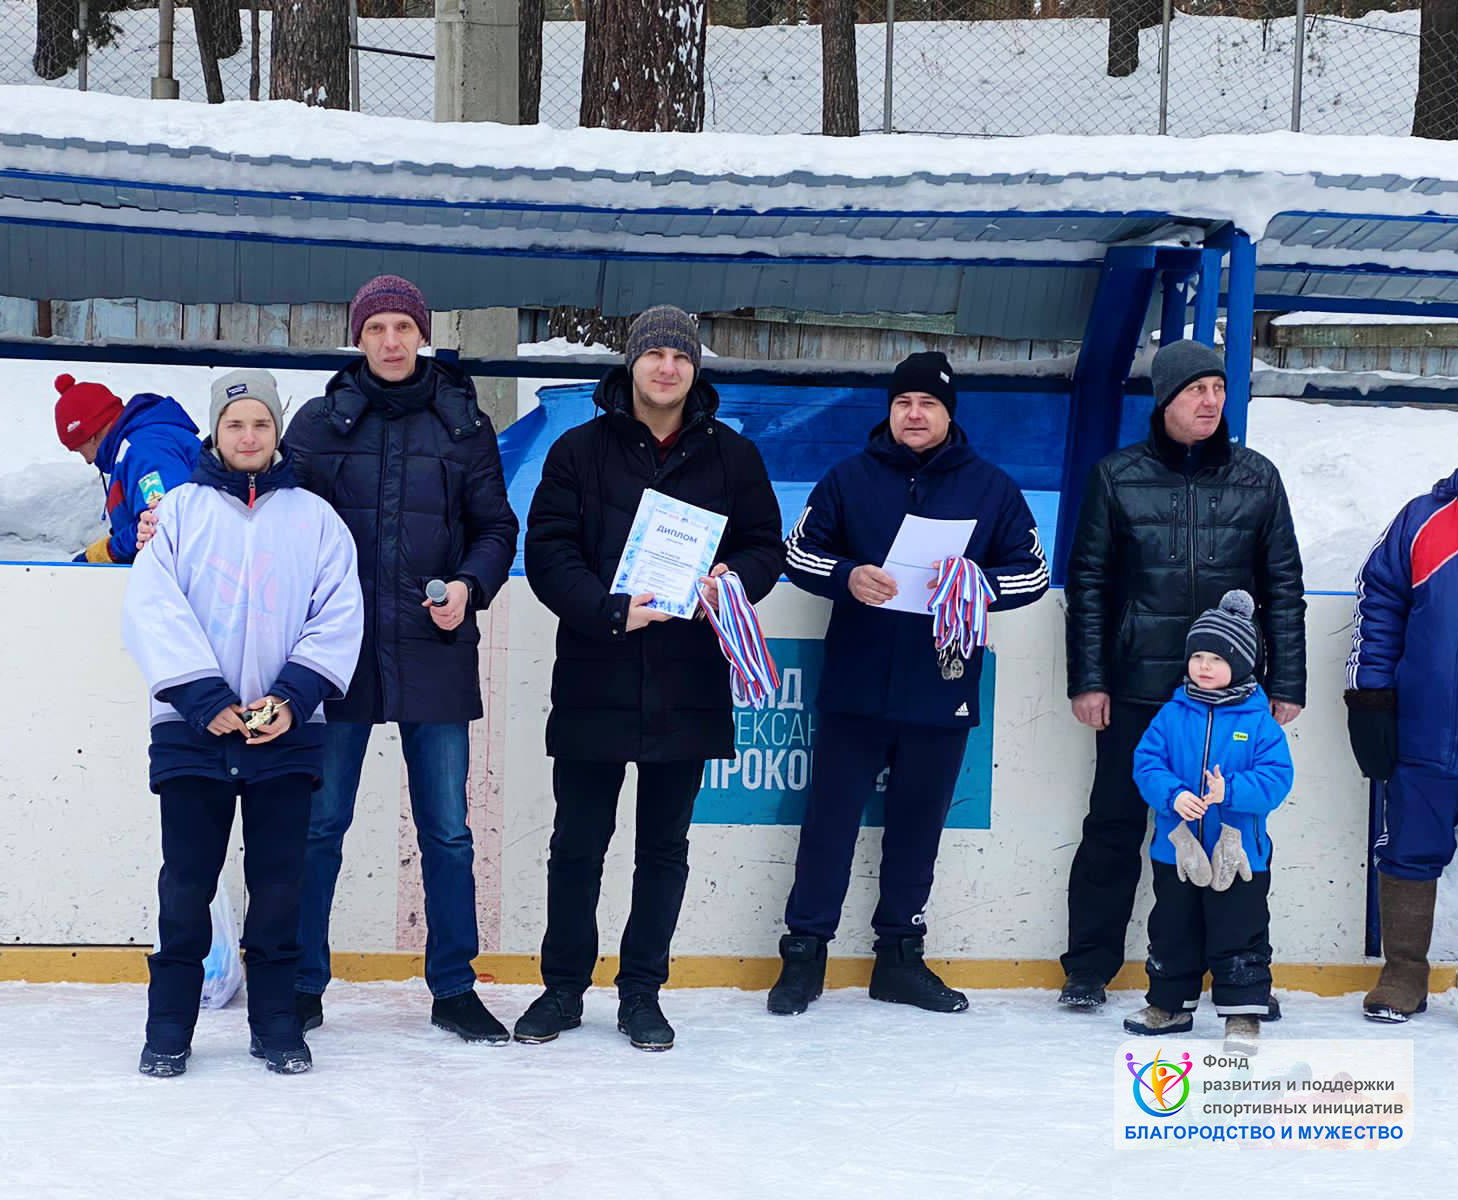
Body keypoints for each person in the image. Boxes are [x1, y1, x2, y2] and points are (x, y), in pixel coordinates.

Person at [138, 278, 518, 1043]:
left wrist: (470, 586)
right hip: (334, 659)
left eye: (402, 327)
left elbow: (495, 528)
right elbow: (262, 499)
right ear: (359, 336)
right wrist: (163, 518)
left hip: (433, 650)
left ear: (422, 334)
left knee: (447, 832)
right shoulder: (319, 420)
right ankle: (303, 982)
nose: (390, 341)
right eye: (375, 328)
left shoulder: (463, 422)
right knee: (318, 827)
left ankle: (454, 987)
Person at [516, 305, 784, 1051]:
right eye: (654, 354)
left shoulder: (733, 456)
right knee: (577, 844)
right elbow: (549, 552)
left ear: (695, 369)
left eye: (681, 356)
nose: (667, 367)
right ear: (630, 362)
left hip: (689, 678)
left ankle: (642, 993)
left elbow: (766, 545)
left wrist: (734, 579)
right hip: (595, 674)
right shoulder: (578, 450)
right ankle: (562, 990)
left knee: (663, 849)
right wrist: (608, 611)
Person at [766, 350, 1050, 1017]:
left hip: (940, 687)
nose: (914, 414)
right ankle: (804, 954)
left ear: (949, 414)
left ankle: (898, 957)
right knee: (828, 825)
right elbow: (797, 551)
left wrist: (979, 583)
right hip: (856, 686)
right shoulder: (849, 477)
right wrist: (847, 576)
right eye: (902, 403)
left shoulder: (991, 489)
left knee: (917, 831)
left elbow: (1033, 573)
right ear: (889, 411)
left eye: (927, 404)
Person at [122, 369, 363, 1077]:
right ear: (215, 431)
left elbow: (338, 612)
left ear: (277, 431)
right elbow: (152, 609)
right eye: (235, 424)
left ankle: (277, 1022)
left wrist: (291, 697)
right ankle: (169, 1025)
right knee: (186, 886)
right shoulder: (178, 513)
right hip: (193, 732)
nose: (248, 436)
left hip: (283, 734)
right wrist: (204, 699)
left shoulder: (315, 520)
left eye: (261, 423)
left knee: (280, 887)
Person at [1059, 338, 1306, 1011]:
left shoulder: (1258, 478)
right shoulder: (1116, 476)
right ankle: (1088, 967)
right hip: (1138, 690)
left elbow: (1283, 587)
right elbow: (1089, 585)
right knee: (1114, 826)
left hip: (1232, 702)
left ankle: (1237, 975)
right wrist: (1089, 679)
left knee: (1233, 830)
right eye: (1196, 389)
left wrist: (1287, 682)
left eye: (1218, 388)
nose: (1211, 401)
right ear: (1165, 399)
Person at [1124, 590, 1293, 1054]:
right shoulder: (1172, 714)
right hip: (1176, 851)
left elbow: (1277, 779)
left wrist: (1230, 790)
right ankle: (1169, 1005)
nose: (1203, 666)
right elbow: (1147, 763)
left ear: (1241, 663)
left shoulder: (1259, 723)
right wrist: (1173, 795)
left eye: (1217, 658)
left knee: (1239, 932)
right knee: (1172, 930)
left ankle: (1243, 1013)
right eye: (1198, 655)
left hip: (1239, 857)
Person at [1345, 448, 1458, 1028]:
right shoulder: (1424, 519)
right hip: (1425, 731)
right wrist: (1371, 697)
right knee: (1410, 848)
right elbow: (1379, 603)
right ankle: (1404, 974)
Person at [54, 373, 201, 563]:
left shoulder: (145, 450)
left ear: (91, 436)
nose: (87, 461)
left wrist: (103, 554)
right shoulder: (138, 446)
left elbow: (164, 524)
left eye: (79, 450)